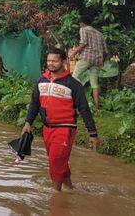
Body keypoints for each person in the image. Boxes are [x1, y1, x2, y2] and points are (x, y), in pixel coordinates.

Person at [23, 48, 99, 192]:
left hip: (65, 128)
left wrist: (92, 133)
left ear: (63, 62)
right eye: (49, 60)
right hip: (47, 129)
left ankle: (56, 194)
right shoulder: (40, 81)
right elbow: (34, 103)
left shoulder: (74, 85)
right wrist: (28, 123)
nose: (51, 64)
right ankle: (69, 188)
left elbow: (84, 110)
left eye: (55, 61)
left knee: (56, 160)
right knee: (58, 160)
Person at [70, 15, 108, 109]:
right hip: (97, 60)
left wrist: (73, 53)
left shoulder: (84, 29)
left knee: (74, 78)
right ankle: (97, 107)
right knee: (94, 83)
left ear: (81, 23)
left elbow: (83, 43)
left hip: (86, 58)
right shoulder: (99, 34)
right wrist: (102, 61)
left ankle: (79, 102)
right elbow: (105, 51)